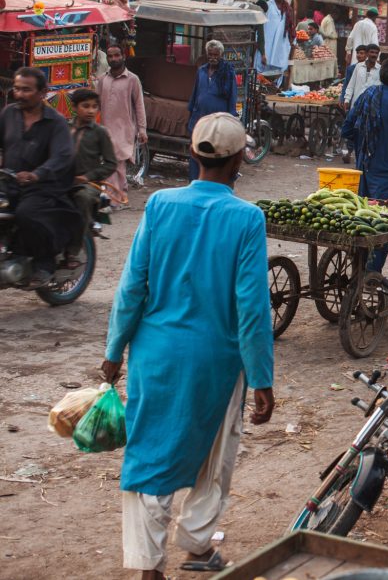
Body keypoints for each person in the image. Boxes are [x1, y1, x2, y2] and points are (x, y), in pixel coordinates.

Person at [103, 113, 274, 580]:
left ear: (193, 153)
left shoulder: (160, 204)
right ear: (238, 161)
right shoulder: (247, 218)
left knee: (149, 454)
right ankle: (198, 543)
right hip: (217, 360)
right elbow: (252, 308)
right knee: (216, 453)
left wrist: (114, 350)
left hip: (153, 354)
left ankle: (149, 566)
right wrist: (262, 378)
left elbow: (132, 286)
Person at [0, 67, 80, 285]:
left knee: (27, 213)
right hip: (8, 182)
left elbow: (62, 156)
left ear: (43, 92)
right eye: (17, 89)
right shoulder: (8, 114)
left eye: (26, 90)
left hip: (44, 187)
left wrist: (37, 174)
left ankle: (44, 263)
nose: (19, 94)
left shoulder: (56, 122)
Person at [342, 58, 388, 200]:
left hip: (363, 166)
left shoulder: (367, 95)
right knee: (382, 209)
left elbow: (347, 128)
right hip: (387, 170)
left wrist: (362, 142)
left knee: (363, 208)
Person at [67, 88, 115, 256]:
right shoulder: (64, 128)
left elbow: (111, 164)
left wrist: (87, 177)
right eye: (86, 106)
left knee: (82, 197)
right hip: (63, 180)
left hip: (89, 184)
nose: (91, 111)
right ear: (74, 107)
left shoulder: (100, 132)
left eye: (94, 107)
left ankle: (74, 250)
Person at [96, 43, 147, 200]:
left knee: (116, 163)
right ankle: (119, 195)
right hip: (105, 128)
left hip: (124, 129)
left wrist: (142, 129)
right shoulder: (103, 80)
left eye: (117, 55)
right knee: (114, 165)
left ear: (123, 56)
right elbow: (95, 104)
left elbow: (139, 105)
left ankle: (113, 199)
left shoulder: (132, 79)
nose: (113, 59)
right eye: (110, 56)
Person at [186, 40, 237, 182]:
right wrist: (190, 118)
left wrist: (230, 119)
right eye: (210, 54)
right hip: (199, 119)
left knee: (215, 154)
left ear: (221, 55)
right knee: (196, 151)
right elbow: (195, 95)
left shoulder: (228, 72)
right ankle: (194, 181)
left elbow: (232, 97)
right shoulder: (201, 71)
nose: (213, 57)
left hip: (217, 122)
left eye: (216, 55)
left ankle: (212, 182)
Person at [257, 0, 295, 75]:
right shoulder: (268, 6)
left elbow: (291, 27)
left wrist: (292, 42)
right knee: (262, 71)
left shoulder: (288, 9)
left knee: (278, 71)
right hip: (267, 44)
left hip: (281, 45)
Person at [343, 43, 381, 111]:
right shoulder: (358, 66)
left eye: (376, 53)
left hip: (371, 106)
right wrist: (347, 100)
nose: (374, 55)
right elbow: (351, 85)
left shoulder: (380, 69)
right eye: (372, 52)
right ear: (367, 54)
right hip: (356, 103)